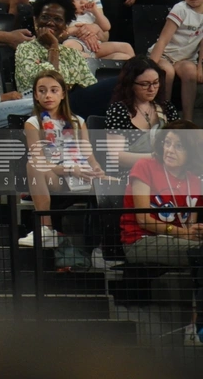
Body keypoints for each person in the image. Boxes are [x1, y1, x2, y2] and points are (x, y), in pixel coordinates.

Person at [119, 121, 203, 343]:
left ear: (191, 151)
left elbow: (189, 228)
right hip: (140, 241)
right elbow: (143, 219)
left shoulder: (194, 181)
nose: (170, 150)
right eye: (167, 143)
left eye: (179, 146)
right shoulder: (145, 167)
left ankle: (194, 324)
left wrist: (195, 232)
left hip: (175, 242)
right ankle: (197, 327)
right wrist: (184, 234)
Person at [20, 69, 109, 247]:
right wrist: (69, 170)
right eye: (42, 91)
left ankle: (105, 245)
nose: (48, 95)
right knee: (33, 165)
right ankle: (46, 229)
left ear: (63, 94)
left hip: (80, 173)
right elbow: (39, 160)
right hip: (55, 176)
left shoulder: (78, 121)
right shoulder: (33, 123)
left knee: (112, 181)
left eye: (54, 90)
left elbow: (88, 153)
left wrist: (96, 168)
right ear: (35, 95)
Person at [15, 0, 118, 118]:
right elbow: (46, 86)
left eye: (57, 19)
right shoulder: (25, 49)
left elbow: (89, 85)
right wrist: (53, 46)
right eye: (45, 17)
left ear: (65, 26)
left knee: (120, 91)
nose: (50, 23)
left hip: (76, 105)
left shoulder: (72, 53)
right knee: (117, 83)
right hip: (45, 106)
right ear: (36, 20)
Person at [104, 59, 181, 179]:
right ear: (130, 84)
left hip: (167, 170)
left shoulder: (167, 108)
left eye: (156, 83)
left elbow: (181, 142)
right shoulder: (119, 110)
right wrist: (156, 158)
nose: (152, 89)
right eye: (145, 84)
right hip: (133, 172)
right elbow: (116, 157)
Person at [148, 0, 203, 120]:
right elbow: (163, 39)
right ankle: (163, 115)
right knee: (167, 72)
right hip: (165, 55)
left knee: (190, 73)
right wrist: (151, 65)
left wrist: (200, 66)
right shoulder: (181, 9)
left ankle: (187, 119)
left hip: (185, 58)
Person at [62, 0, 133, 60]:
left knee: (127, 47)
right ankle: (89, 58)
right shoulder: (66, 15)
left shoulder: (90, 14)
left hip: (97, 46)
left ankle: (136, 66)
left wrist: (95, 11)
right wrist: (76, 30)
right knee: (68, 45)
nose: (82, 1)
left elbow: (106, 27)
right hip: (78, 43)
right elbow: (62, 33)